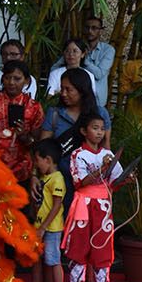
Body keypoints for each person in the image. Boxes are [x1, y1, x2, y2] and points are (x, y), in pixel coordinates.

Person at [63, 111, 126, 282]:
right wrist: (101, 169)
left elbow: (114, 182)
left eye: (102, 129)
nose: (99, 133)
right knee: (79, 247)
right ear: (84, 131)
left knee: (103, 248)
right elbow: (80, 182)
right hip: (84, 204)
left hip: (103, 206)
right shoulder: (77, 154)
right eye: (95, 128)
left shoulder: (108, 154)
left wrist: (126, 179)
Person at [36, 68, 111, 218]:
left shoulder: (100, 114)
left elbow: (106, 148)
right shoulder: (55, 114)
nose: (63, 93)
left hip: (89, 183)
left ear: (82, 90)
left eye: (68, 89)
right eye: (62, 89)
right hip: (59, 182)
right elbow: (43, 151)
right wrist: (34, 176)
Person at [0, 59, 44, 186]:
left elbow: (37, 145)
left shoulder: (33, 107)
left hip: (20, 172)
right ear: (2, 79)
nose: (11, 82)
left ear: (26, 81)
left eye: (17, 78)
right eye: (7, 78)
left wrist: (24, 136)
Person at [22, 140, 67, 282]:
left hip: (51, 228)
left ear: (48, 159)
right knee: (37, 258)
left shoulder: (57, 179)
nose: (36, 165)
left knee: (53, 259)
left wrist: (42, 227)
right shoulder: (45, 177)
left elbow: (56, 206)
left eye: (38, 160)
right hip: (40, 226)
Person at [82, 13, 116, 107]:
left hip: (97, 101)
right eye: (87, 27)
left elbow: (99, 74)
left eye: (94, 28)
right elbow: (57, 66)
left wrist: (83, 60)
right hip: (77, 99)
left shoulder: (108, 50)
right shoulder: (77, 47)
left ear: (101, 31)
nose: (90, 31)